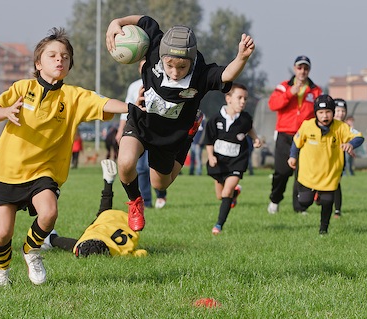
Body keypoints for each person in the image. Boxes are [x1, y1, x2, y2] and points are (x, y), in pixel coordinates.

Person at [0, 27, 129, 287]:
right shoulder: (22, 87)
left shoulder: (73, 96)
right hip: (5, 170)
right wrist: (6, 111)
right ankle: (0, 269)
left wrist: (132, 108)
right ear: (38, 63)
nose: (59, 60)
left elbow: (104, 103)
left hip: (43, 172)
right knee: (3, 231)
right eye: (52, 55)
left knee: (49, 212)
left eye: (64, 56)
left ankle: (31, 251)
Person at [106, 15, 255, 231]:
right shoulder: (156, 45)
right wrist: (116, 22)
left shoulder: (201, 73)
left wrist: (241, 57)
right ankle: (136, 202)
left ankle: (187, 137)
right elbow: (144, 19)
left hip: (171, 135)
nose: (175, 72)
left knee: (160, 184)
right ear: (162, 56)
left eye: (182, 67)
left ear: (192, 61)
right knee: (126, 162)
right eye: (170, 65)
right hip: (143, 121)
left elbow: (226, 74)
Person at [288, 95, 364, 234]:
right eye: (321, 113)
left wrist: (350, 144)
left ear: (333, 113)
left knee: (328, 202)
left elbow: (359, 137)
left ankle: (323, 229)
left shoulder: (341, 127)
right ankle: (315, 194)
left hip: (330, 174)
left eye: (328, 112)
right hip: (308, 174)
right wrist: (293, 156)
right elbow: (296, 141)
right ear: (316, 113)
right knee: (304, 202)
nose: (325, 116)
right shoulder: (307, 126)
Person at [43, 160, 147, 258]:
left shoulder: (119, 253)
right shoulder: (115, 251)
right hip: (119, 221)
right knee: (101, 216)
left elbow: (142, 253)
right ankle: (51, 239)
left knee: (102, 214)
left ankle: (51, 239)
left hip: (127, 223)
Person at [267, 55, 322, 214]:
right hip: (285, 135)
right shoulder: (283, 87)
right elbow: (273, 105)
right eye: (300, 68)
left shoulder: (316, 90)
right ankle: (275, 200)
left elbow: (319, 114)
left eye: (306, 68)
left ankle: (300, 207)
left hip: (305, 137)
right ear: (294, 69)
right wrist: (290, 93)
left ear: (309, 70)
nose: (302, 71)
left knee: (302, 174)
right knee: (282, 172)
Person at [205, 83, 261, 235]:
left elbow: (249, 128)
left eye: (245, 99)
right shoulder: (215, 119)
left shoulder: (245, 118)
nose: (243, 101)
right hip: (219, 162)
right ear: (228, 98)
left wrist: (256, 139)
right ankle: (235, 194)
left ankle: (218, 225)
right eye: (240, 98)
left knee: (226, 192)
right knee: (220, 195)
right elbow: (208, 141)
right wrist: (210, 157)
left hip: (237, 161)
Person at [116, 59, 167, 209]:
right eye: (142, 66)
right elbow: (127, 110)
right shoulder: (134, 87)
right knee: (141, 168)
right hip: (139, 130)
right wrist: (121, 131)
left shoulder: (163, 83)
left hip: (158, 132)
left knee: (155, 168)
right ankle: (146, 201)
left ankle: (161, 195)